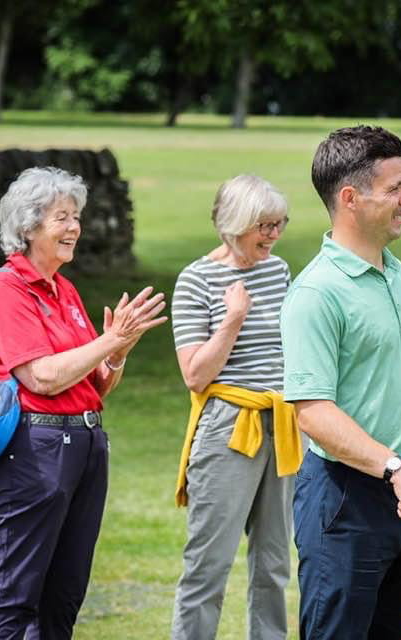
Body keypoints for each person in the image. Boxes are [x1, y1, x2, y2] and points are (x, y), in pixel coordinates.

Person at [0, 166, 167, 639]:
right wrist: (109, 340)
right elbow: (40, 377)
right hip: (34, 449)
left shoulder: (65, 290)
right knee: (14, 595)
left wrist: (116, 352)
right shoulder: (8, 288)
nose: (75, 227)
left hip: (84, 445)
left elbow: (92, 387)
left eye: (76, 216)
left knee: (64, 593)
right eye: (63, 217)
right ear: (29, 225)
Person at [280, 125, 401, 639]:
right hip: (347, 500)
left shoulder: (395, 272)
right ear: (350, 198)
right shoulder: (316, 294)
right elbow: (312, 411)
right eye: (394, 189)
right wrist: (395, 466)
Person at [170, 174, 303, 640]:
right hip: (229, 427)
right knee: (208, 564)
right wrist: (232, 321)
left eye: (278, 224)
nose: (273, 235)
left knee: (273, 564)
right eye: (263, 225)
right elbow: (195, 375)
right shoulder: (196, 280)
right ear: (234, 224)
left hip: (283, 424)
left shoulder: (279, 270)